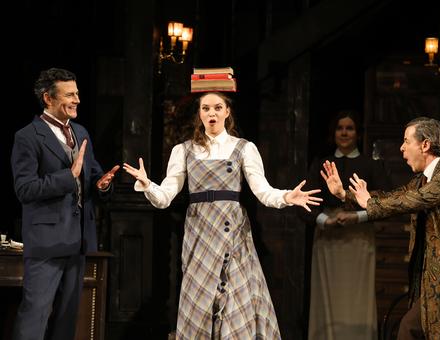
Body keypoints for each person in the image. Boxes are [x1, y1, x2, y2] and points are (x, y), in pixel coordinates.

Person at [123, 90, 322, 339]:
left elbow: (263, 191)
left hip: (234, 236)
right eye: (206, 108)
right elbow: (165, 198)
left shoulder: (244, 149)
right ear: (200, 114)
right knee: (200, 304)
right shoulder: (183, 151)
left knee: (235, 303)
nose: (212, 113)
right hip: (200, 234)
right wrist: (147, 184)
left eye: (218, 107)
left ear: (227, 112)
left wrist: (286, 197)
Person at [321, 116, 440, 339]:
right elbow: (398, 197)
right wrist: (346, 195)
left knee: (429, 330)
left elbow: (416, 200)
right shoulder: (424, 179)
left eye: (406, 141)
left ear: (425, 144)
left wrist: (368, 203)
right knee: (411, 328)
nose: (401, 148)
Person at [10, 67, 119, 340]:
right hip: (46, 241)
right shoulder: (27, 136)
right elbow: (25, 189)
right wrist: (67, 177)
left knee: (67, 319)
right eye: (70, 94)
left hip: (79, 239)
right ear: (48, 98)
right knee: (36, 315)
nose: (77, 100)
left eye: (78, 93)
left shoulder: (81, 132)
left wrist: (101, 183)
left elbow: (91, 175)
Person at [300, 110, 391, 340]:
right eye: (340, 128)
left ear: (358, 133)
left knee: (357, 295)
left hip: (359, 238)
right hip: (327, 238)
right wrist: (325, 220)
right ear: (334, 133)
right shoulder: (321, 164)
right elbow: (304, 202)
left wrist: (357, 217)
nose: (344, 132)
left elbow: (385, 204)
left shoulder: (371, 165)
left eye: (349, 128)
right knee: (327, 295)